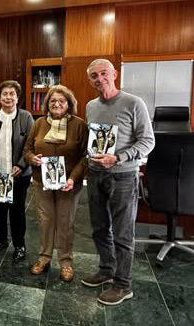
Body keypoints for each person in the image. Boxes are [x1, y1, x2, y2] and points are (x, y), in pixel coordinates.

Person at [80, 59, 154, 305]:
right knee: (100, 228)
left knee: (123, 233)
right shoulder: (91, 106)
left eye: (103, 73)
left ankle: (123, 284)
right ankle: (107, 269)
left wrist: (119, 157)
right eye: (94, 76)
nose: (99, 79)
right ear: (89, 80)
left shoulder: (134, 103)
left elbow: (147, 141)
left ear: (114, 74)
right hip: (96, 173)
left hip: (123, 175)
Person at [24, 85, 88, 282]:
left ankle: (66, 262)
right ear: (47, 104)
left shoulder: (79, 125)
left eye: (62, 101)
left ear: (69, 104)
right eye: (53, 101)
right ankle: (44, 257)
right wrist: (32, 158)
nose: (57, 104)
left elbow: (86, 156)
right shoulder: (39, 123)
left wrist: (73, 178)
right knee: (45, 221)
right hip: (42, 182)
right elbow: (27, 149)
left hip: (68, 184)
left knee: (65, 223)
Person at [0, 80, 33, 260]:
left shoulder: (26, 118)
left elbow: (30, 144)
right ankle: (1, 238)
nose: (8, 97)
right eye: (5, 94)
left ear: (18, 98)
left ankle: (19, 244)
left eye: (12, 94)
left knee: (17, 210)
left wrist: (21, 165)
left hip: (18, 175)